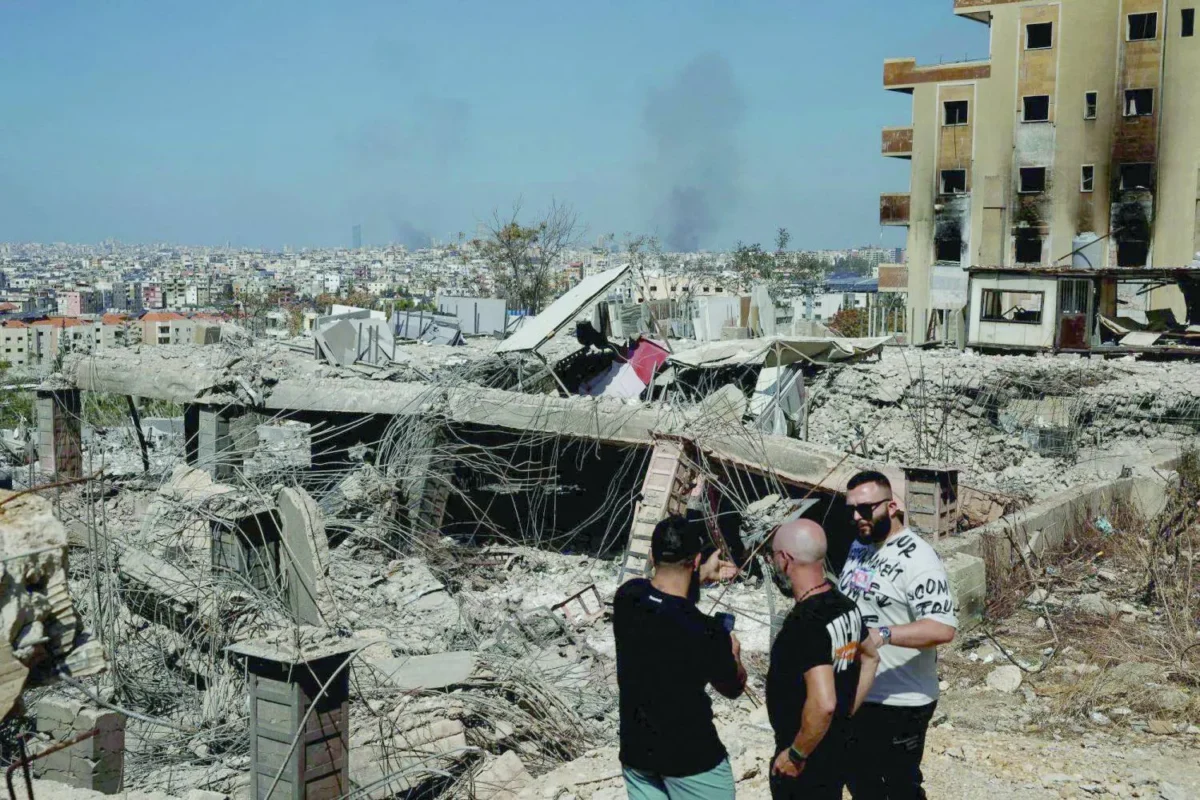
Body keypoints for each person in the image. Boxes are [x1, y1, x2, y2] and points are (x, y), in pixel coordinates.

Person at [838, 471, 958, 800]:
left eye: (865, 509)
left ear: (891, 506)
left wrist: (883, 634)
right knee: (861, 785)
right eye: (851, 509)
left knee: (900, 789)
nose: (857, 517)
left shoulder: (919, 557)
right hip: (859, 692)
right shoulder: (859, 546)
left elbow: (942, 627)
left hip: (901, 701)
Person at [613, 514, 746, 800]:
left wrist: (701, 574)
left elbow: (667, 599)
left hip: (638, 754)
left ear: (652, 555)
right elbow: (733, 688)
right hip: (692, 761)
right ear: (696, 560)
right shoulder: (706, 631)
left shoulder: (627, 597)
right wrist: (734, 654)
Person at [766, 519, 879, 800]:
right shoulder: (845, 605)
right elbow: (871, 658)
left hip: (806, 762)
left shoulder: (805, 623)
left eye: (773, 556)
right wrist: (846, 713)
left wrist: (796, 755)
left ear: (785, 559)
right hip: (834, 749)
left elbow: (824, 703)